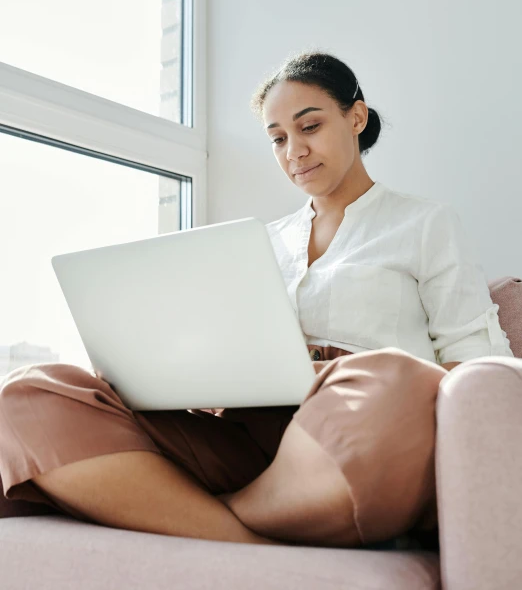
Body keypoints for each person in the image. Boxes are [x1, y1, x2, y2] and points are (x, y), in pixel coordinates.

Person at [0, 51, 513, 550]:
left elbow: (481, 366)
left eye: (309, 127)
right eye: (278, 139)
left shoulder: (425, 223)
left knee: (389, 377)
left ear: (355, 117)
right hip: (255, 435)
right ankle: (242, 533)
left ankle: (181, 508)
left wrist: (352, 380)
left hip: (367, 423)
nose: (294, 151)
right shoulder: (260, 242)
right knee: (30, 393)